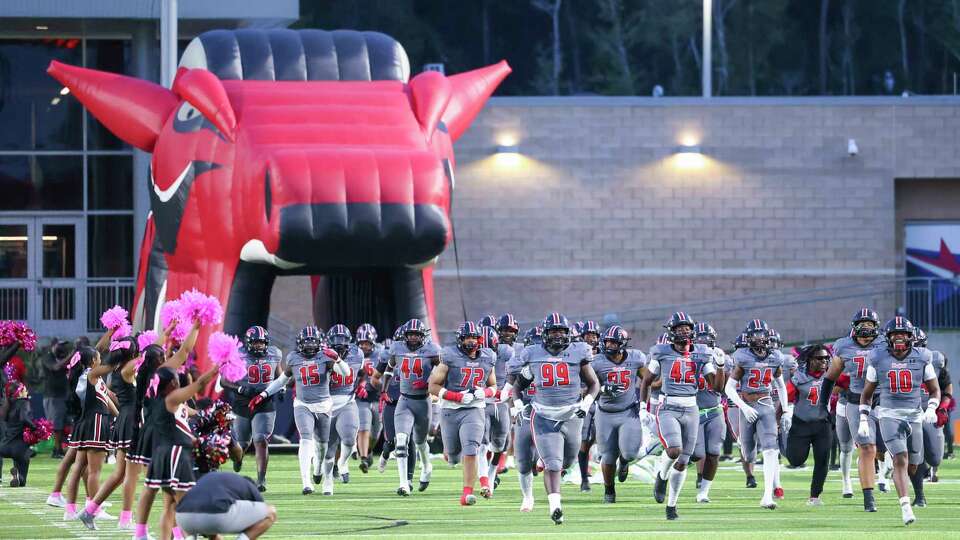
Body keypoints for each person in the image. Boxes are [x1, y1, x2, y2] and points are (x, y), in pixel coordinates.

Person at [513, 313, 598, 525]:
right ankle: (555, 507)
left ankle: (552, 489)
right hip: (543, 415)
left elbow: (594, 384)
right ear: (545, 334)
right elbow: (517, 387)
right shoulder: (533, 355)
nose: (558, 335)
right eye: (554, 331)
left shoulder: (579, 352)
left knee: (567, 462)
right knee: (553, 464)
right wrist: (517, 406)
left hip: (571, 416)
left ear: (568, 334)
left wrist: (586, 404)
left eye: (562, 331)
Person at [859, 317, 940, 526]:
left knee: (913, 465)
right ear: (887, 337)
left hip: (914, 415)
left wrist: (931, 407)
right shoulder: (877, 358)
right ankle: (905, 507)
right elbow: (867, 393)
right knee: (901, 459)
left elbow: (934, 389)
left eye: (903, 333)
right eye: (895, 334)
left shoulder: (923, 357)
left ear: (910, 336)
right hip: (889, 414)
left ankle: (887, 471)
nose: (899, 337)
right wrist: (863, 419)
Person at [248, 326, 346, 495]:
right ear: (300, 343)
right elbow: (281, 381)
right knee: (306, 439)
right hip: (302, 404)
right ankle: (306, 483)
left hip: (323, 405)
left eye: (312, 342)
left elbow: (345, 373)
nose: (308, 346)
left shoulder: (326, 356)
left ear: (318, 343)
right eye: (306, 342)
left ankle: (317, 471)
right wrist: (264, 394)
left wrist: (338, 360)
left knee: (322, 447)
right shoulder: (294, 358)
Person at [641, 312, 718, 520]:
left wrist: (718, 367)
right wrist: (642, 407)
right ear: (671, 332)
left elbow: (715, 387)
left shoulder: (702, 352)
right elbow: (647, 381)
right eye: (679, 329)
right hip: (668, 406)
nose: (684, 332)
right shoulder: (661, 352)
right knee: (674, 450)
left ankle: (671, 506)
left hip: (692, 408)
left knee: (684, 461)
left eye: (687, 328)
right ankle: (662, 475)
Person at [130, 321, 201, 540]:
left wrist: (166, 333)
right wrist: (197, 326)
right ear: (159, 361)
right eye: (163, 356)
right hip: (163, 434)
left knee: (160, 489)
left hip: (149, 431)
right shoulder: (162, 374)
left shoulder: (144, 372)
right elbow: (185, 351)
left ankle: (158, 533)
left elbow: (150, 352)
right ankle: (175, 533)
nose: (166, 356)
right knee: (169, 491)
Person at [821, 308, 888, 512]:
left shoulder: (886, 344)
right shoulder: (844, 346)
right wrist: (823, 405)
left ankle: (906, 487)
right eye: (863, 325)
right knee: (867, 448)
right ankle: (869, 498)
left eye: (870, 325)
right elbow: (830, 377)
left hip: (884, 401)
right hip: (856, 402)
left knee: (894, 450)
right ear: (854, 327)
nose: (866, 329)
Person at [724, 319, 790, 510]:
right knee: (748, 452)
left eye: (762, 334)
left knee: (771, 448)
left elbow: (781, 385)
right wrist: (744, 408)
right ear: (749, 338)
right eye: (756, 335)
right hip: (746, 405)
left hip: (766, 404)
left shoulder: (775, 357)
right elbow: (729, 388)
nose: (760, 339)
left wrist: (784, 411)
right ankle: (750, 464)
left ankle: (768, 495)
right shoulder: (742, 357)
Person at [429, 321, 497, 505]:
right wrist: (455, 396)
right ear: (460, 339)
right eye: (467, 337)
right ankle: (450, 453)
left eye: (474, 337)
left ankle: (467, 493)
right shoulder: (449, 356)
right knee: (453, 456)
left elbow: (493, 386)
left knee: (471, 448)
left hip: (474, 410)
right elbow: (433, 386)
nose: (470, 341)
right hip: (451, 410)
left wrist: (486, 393)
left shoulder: (488, 357)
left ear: (479, 339)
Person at [64, 340, 126, 522]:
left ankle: (70, 508)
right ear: (93, 361)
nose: (101, 359)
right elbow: (108, 366)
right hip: (96, 423)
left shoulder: (92, 377)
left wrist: (119, 415)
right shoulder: (91, 375)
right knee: (94, 471)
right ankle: (93, 509)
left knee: (80, 467)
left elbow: (107, 399)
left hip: (90, 422)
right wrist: (124, 353)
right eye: (98, 357)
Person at [379, 319, 442, 496]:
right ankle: (403, 483)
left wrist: (428, 381)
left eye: (417, 334)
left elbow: (442, 372)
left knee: (420, 442)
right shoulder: (397, 348)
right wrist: (383, 390)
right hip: (404, 400)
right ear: (405, 336)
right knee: (401, 441)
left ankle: (427, 466)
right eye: (411, 334)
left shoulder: (432, 351)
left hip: (423, 401)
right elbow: (389, 369)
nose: (413, 337)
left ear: (423, 336)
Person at [220, 326, 282, 492]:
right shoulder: (238, 355)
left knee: (260, 439)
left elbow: (280, 375)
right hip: (243, 401)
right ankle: (238, 459)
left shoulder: (274, 353)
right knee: (242, 443)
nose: (259, 346)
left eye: (261, 342)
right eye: (255, 342)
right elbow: (223, 381)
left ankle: (261, 479)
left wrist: (280, 387)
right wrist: (240, 389)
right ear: (248, 343)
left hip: (265, 401)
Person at [590, 325, 647, 503]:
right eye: (607, 342)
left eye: (613, 342)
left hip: (628, 411)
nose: (609, 345)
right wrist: (604, 388)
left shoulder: (636, 358)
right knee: (607, 455)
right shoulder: (596, 362)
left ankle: (624, 461)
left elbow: (648, 379)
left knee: (630, 453)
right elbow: (585, 388)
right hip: (605, 413)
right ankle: (609, 491)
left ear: (622, 344)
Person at [784, 344, 833, 505]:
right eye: (819, 358)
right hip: (801, 423)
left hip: (823, 424)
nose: (824, 361)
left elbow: (847, 385)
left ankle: (815, 496)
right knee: (796, 460)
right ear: (810, 360)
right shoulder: (799, 377)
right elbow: (786, 398)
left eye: (826, 358)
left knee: (822, 459)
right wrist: (781, 417)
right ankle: (782, 440)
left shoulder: (832, 375)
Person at [909, 327, 951, 506]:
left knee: (935, 457)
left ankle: (929, 468)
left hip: (929, 411)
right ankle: (919, 496)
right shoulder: (892, 360)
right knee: (914, 455)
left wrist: (942, 409)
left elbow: (946, 390)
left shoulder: (935, 360)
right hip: (907, 412)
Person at [175, 471, 277, 540]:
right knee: (270, 512)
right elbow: (261, 510)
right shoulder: (249, 487)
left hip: (182, 518)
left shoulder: (216, 480)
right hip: (216, 516)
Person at [321, 324, 362, 493]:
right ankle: (327, 480)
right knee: (328, 449)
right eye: (336, 341)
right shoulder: (322, 354)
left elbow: (361, 372)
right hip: (327, 403)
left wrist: (361, 384)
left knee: (350, 439)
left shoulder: (357, 353)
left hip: (346, 401)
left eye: (343, 341)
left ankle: (343, 462)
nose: (339, 344)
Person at [691, 322, 727, 503]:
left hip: (714, 409)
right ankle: (665, 473)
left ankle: (703, 492)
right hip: (692, 411)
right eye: (700, 339)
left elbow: (721, 388)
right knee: (696, 453)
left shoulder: (720, 356)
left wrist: (720, 365)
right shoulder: (686, 356)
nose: (704, 343)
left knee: (713, 452)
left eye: (707, 339)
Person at [480, 324, 513, 495]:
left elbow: (516, 373)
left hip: (500, 402)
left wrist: (508, 391)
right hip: (479, 403)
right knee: (481, 442)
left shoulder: (507, 352)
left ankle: (491, 475)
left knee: (501, 444)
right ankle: (484, 479)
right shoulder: (469, 356)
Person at [354, 325, 382, 473]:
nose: (364, 346)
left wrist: (373, 382)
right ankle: (364, 458)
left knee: (375, 433)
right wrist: (358, 385)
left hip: (377, 398)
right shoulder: (353, 354)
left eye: (367, 343)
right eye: (362, 343)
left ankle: (369, 451)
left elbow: (386, 374)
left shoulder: (381, 353)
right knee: (363, 428)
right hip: (361, 399)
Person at [0, 380, 36, 486]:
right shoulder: (24, 402)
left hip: (4, 446)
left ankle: (15, 474)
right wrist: (35, 428)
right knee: (26, 454)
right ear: (19, 392)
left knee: (21, 453)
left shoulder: (7, 405)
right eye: (24, 389)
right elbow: (24, 418)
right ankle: (20, 477)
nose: (26, 390)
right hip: (18, 448)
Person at [42, 340, 72, 458]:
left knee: (62, 423)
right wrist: (71, 355)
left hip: (62, 395)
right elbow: (55, 368)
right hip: (53, 396)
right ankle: (56, 450)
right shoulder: (48, 357)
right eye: (60, 346)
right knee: (56, 425)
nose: (63, 348)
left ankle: (59, 448)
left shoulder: (61, 357)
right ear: (54, 346)